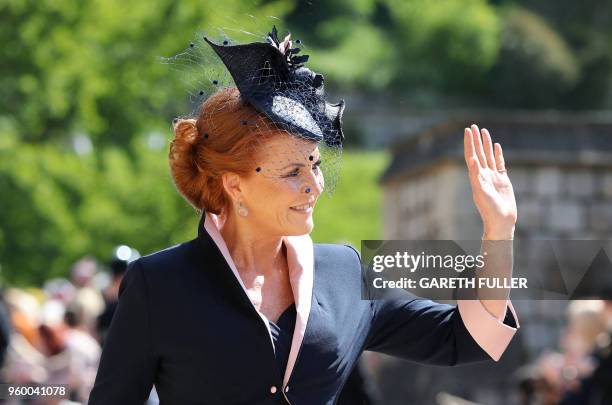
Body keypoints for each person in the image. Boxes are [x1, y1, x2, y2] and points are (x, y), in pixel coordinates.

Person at [89, 26, 520, 405]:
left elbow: (467, 338)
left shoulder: (345, 272)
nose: (314, 185)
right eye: (292, 172)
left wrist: (498, 231)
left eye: (314, 164)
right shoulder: (158, 284)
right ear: (234, 184)